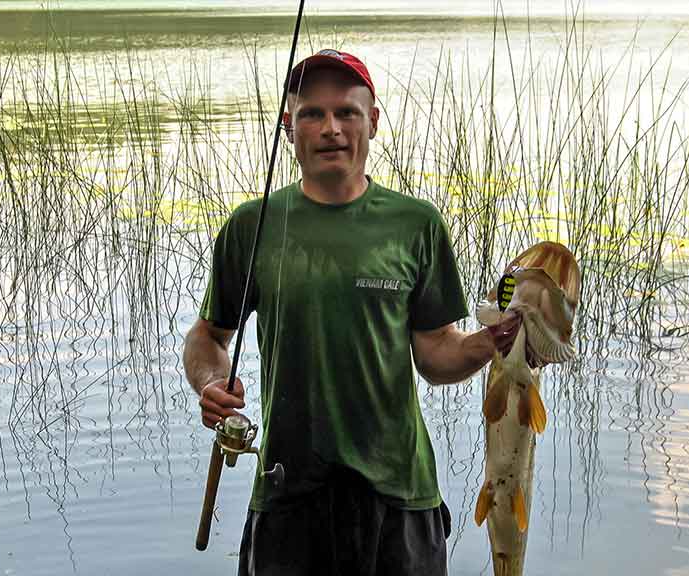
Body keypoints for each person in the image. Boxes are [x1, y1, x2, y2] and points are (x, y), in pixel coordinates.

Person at [182, 49, 521, 576]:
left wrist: (488, 342)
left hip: (399, 493)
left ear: (373, 122)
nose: (330, 128)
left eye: (346, 112)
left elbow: (436, 353)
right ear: (288, 126)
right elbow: (208, 336)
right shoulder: (253, 225)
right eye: (312, 114)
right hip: (288, 491)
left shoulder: (416, 224)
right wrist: (211, 382)